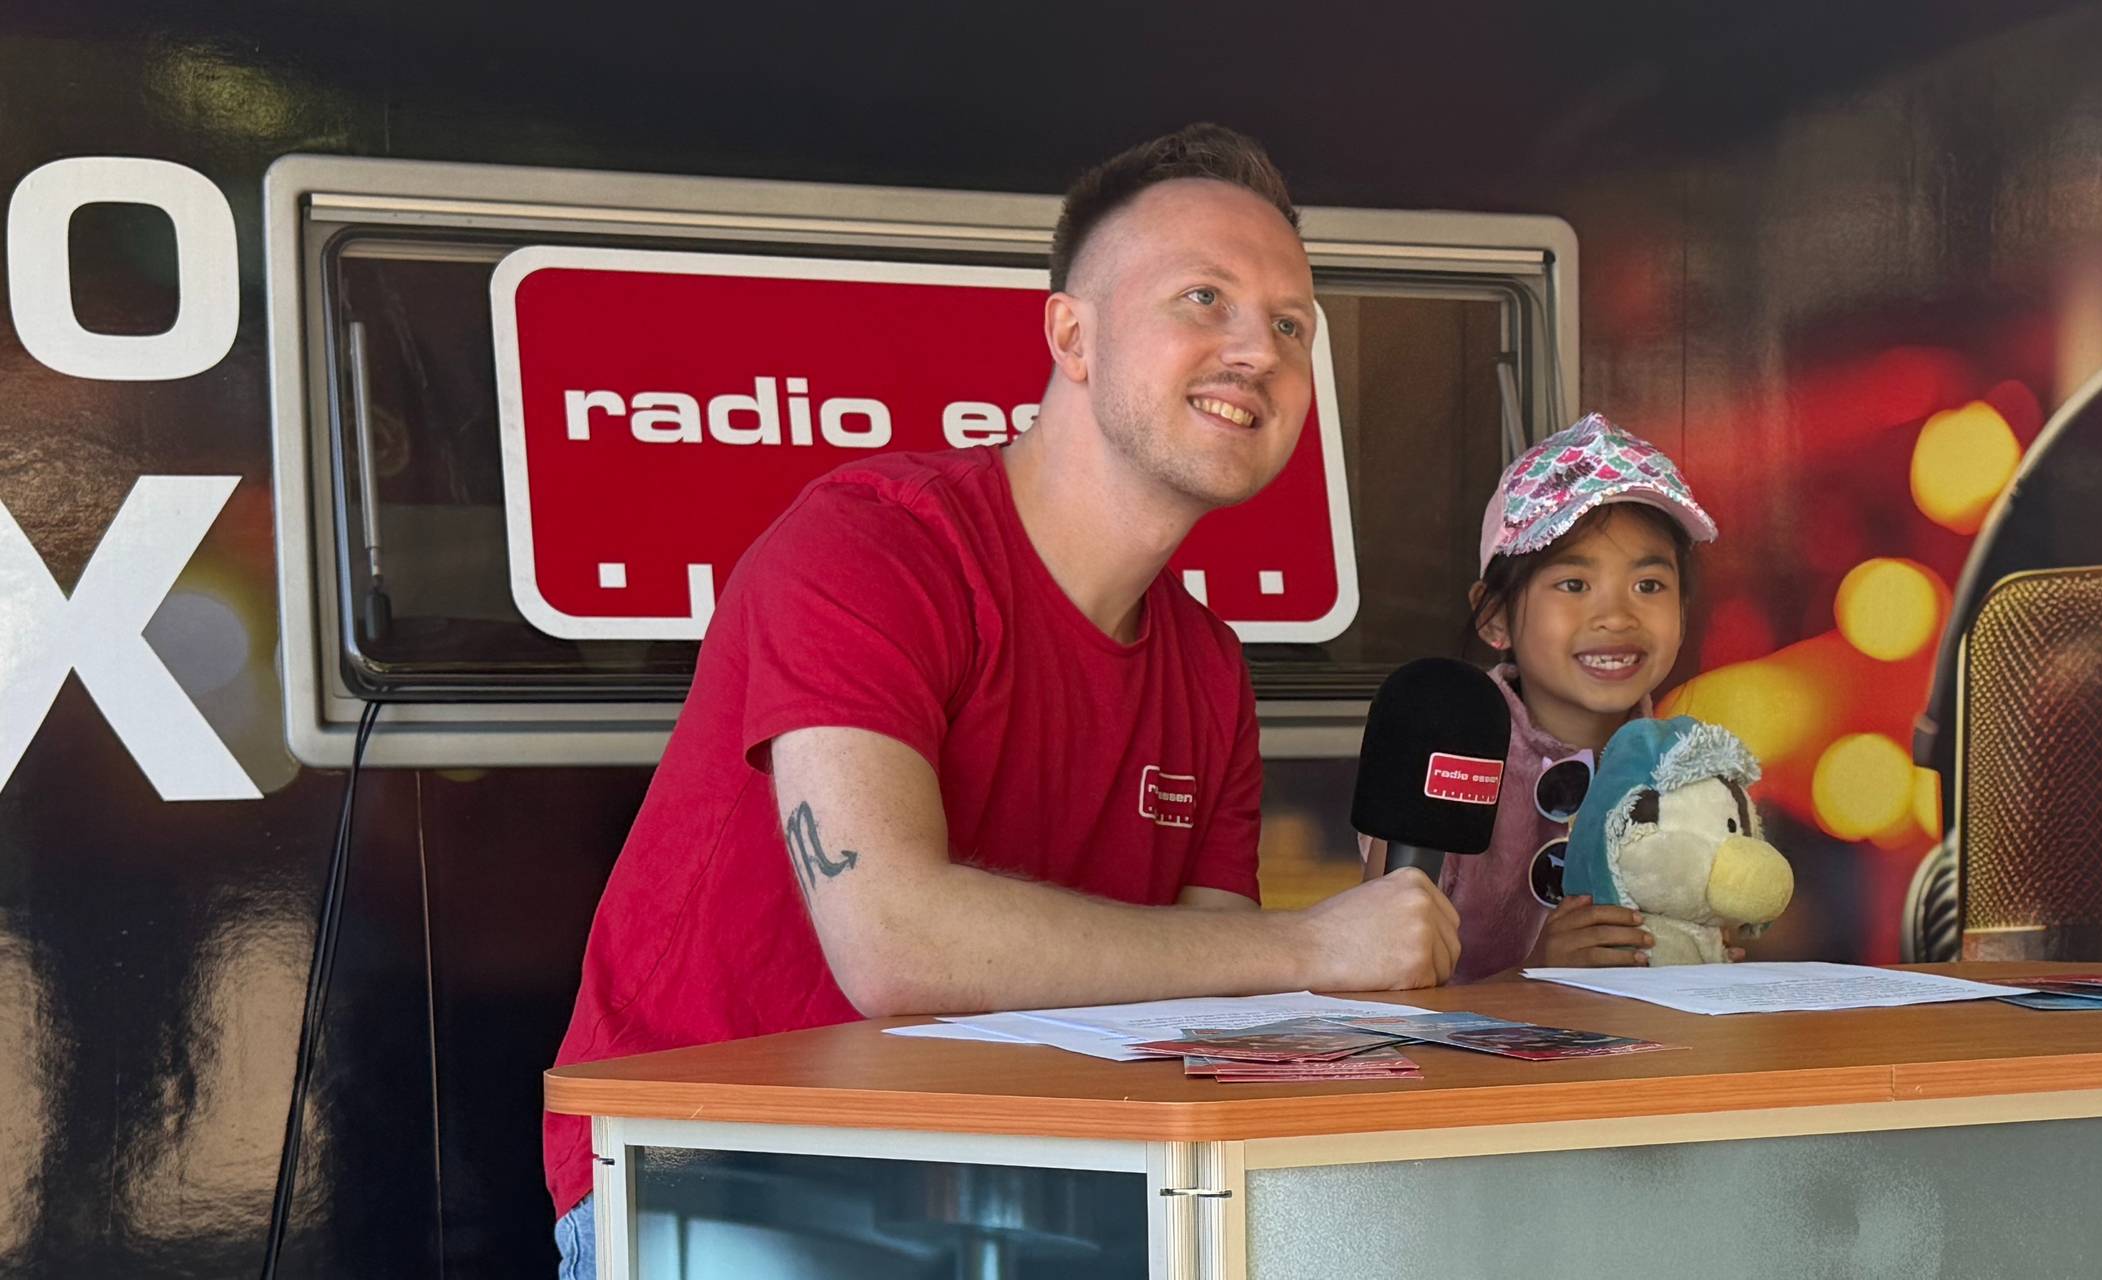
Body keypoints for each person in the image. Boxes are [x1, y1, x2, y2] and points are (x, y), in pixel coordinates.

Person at [543, 125, 1460, 1274]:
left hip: (1022, 1187)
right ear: (1071, 335)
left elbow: (1213, 978)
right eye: (1203, 298)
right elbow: (893, 940)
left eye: (1290, 325)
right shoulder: (870, 544)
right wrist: (1311, 947)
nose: (1256, 351)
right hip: (712, 1176)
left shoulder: (1207, 666)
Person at [1360, 414, 1750, 981]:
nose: (1616, 616)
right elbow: (1381, 990)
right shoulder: (1447, 752)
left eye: (1648, 585)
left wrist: (1702, 955)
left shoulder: (1689, 768)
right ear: (1495, 616)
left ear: (1683, 613)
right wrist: (1539, 975)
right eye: (1574, 584)